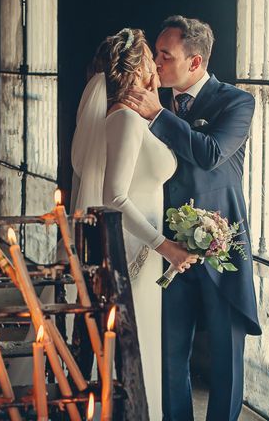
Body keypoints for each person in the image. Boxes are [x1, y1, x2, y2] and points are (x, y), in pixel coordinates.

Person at [124, 15, 262, 421]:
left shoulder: (236, 102)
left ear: (195, 62)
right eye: (157, 55)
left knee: (226, 355)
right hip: (167, 245)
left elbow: (210, 154)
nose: (157, 64)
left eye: (165, 56)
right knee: (169, 349)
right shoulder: (154, 97)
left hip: (222, 243)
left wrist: (157, 116)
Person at [71, 27, 199, 420]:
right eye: (151, 57)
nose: (158, 65)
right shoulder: (125, 120)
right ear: (138, 67)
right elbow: (114, 197)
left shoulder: (134, 117)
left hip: (143, 249)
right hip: (135, 252)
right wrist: (167, 246)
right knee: (133, 344)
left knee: (140, 344)